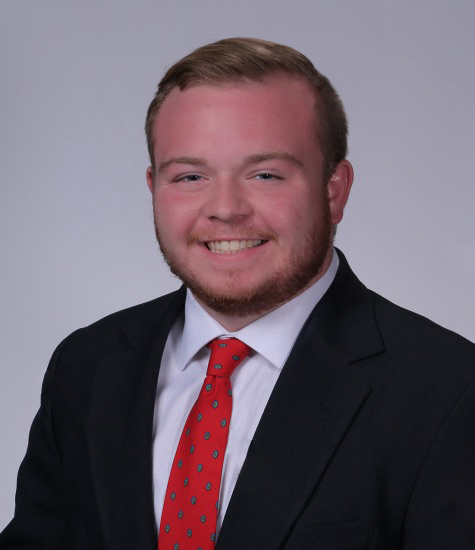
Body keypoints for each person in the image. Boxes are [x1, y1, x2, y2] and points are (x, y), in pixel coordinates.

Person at [1, 37, 474, 550]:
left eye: (265, 174)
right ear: (153, 187)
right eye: (190, 176)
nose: (225, 209)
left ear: (334, 190)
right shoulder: (87, 367)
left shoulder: (448, 390)